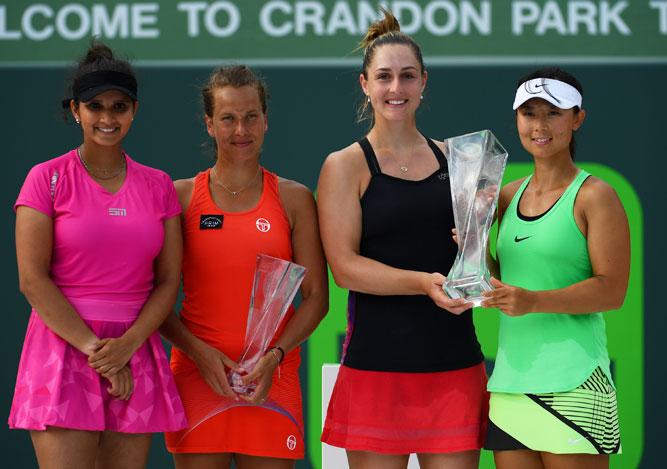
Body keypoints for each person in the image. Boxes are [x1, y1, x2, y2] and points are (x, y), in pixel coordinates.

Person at [319, 10, 488, 469]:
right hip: (376, 369)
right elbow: (345, 268)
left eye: (407, 76)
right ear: (365, 85)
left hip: (454, 367)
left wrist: (481, 241)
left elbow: (477, 257)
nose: (396, 88)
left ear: (424, 82)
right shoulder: (344, 166)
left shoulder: (461, 160)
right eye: (385, 77)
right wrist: (424, 283)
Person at [8, 41, 187, 468]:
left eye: (119, 106)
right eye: (95, 107)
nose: (107, 118)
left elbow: (167, 281)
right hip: (64, 350)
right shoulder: (45, 179)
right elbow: (32, 280)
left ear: (134, 110)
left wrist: (126, 347)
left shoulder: (158, 185)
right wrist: (100, 353)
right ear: (76, 110)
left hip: (134, 349)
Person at [161, 65, 328, 469]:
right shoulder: (180, 197)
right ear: (209, 124)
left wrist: (273, 357)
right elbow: (158, 299)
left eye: (251, 116)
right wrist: (200, 354)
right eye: (228, 118)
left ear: (266, 121)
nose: (241, 129)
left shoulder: (294, 198)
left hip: (273, 377)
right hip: (197, 377)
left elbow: (317, 299)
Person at [482, 67, 629, 468]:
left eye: (553, 113)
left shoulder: (596, 196)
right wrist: (474, 255)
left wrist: (532, 301)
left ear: (577, 119)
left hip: (576, 385)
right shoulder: (507, 196)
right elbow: (500, 279)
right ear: (516, 119)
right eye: (529, 113)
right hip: (511, 387)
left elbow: (611, 290)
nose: (539, 125)